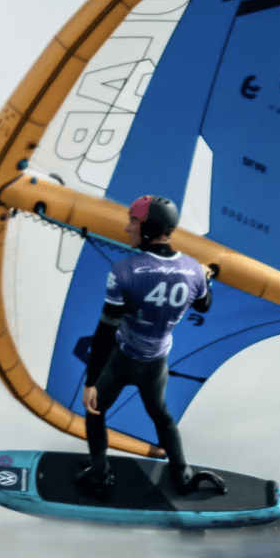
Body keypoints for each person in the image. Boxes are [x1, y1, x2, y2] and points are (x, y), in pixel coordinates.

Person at [76, 195, 227, 500]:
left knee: (94, 410)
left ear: (148, 228)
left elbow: (105, 331)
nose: (127, 227)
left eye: (133, 221)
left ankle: (100, 476)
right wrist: (206, 278)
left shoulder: (124, 271)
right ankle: (183, 477)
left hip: (121, 359)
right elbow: (204, 305)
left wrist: (90, 381)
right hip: (155, 364)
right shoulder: (193, 270)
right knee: (161, 416)